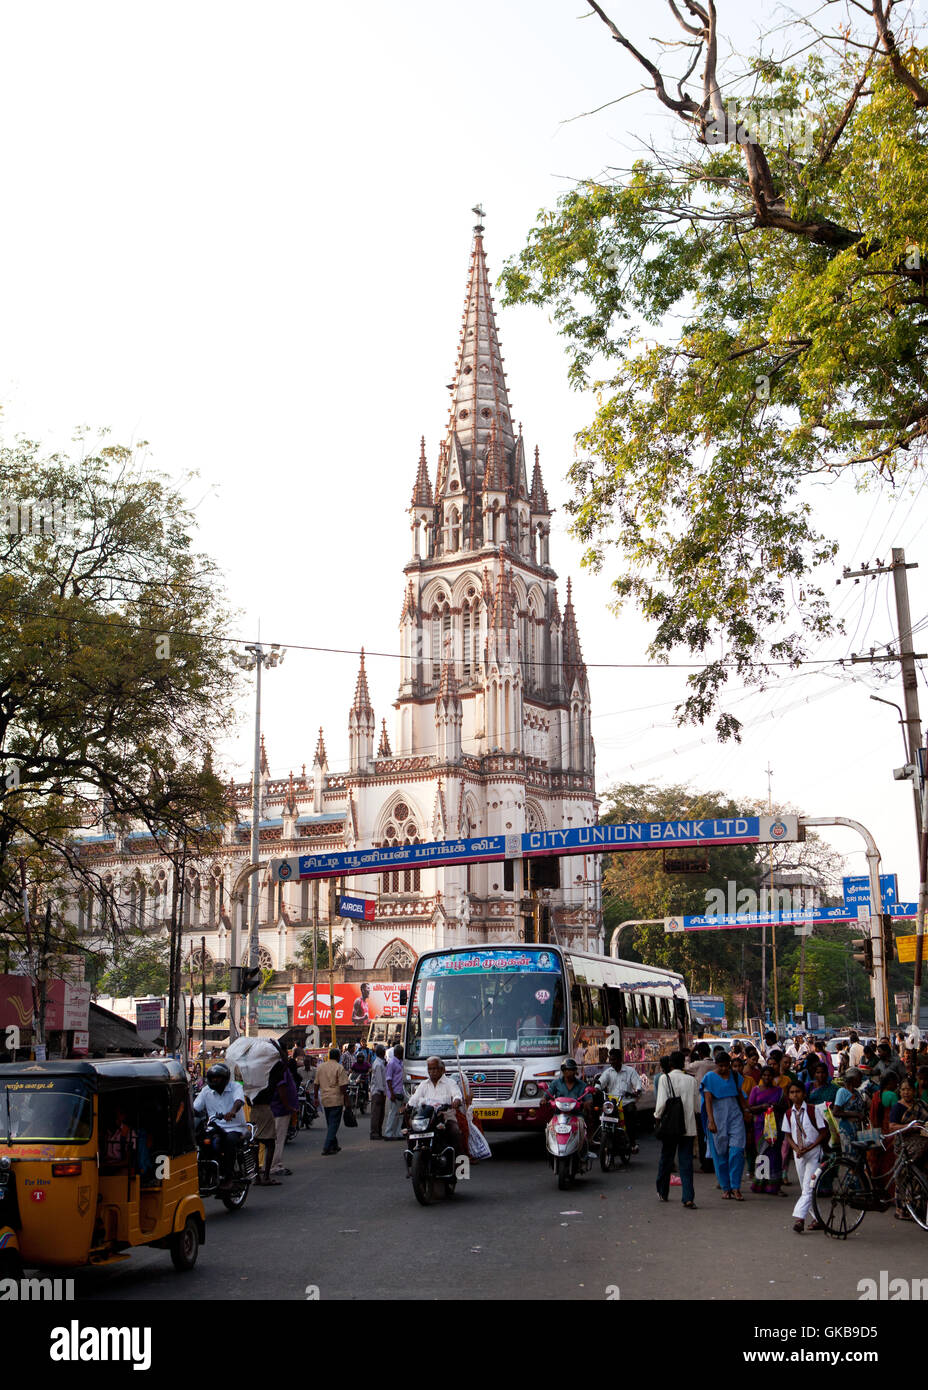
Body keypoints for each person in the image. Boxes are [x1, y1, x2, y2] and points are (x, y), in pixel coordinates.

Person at [700, 1052, 750, 1199]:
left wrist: (746, 1110)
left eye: (726, 1066)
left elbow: (740, 1095)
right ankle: (726, 1188)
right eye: (720, 1066)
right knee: (720, 1154)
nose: (723, 1069)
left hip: (735, 1116)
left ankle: (736, 1187)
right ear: (716, 1064)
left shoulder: (735, 1076)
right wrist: (711, 1121)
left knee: (737, 1151)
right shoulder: (709, 1078)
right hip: (718, 1117)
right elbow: (708, 1100)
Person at [654, 1050, 698, 1208]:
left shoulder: (665, 1079)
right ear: (683, 1064)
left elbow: (661, 1104)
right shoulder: (691, 1080)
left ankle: (663, 1191)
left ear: (670, 1064)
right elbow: (697, 1107)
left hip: (670, 1127)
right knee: (686, 1162)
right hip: (688, 1126)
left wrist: (657, 1120)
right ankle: (688, 1197)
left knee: (666, 1159)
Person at [782, 1081, 828, 1233]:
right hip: (799, 1154)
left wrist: (810, 1147)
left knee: (808, 1188)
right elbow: (788, 1135)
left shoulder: (812, 1110)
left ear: (804, 1093)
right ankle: (818, 1218)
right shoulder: (788, 1114)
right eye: (792, 1092)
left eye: (798, 1092)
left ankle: (799, 1219)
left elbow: (822, 1133)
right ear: (789, 1095)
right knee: (806, 1188)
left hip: (813, 1152)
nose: (795, 1095)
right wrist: (796, 1149)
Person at [192, 1062, 247, 1185]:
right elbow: (195, 1108)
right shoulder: (206, 1091)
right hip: (215, 1127)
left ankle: (229, 1177)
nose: (215, 1080)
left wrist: (232, 1112)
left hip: (234, 1127)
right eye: (213, 1078)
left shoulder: (235, 1087)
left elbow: (238, 1101)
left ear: (225, 1078)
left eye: (218, 1078)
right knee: (202, 1141)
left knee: (229, 1142)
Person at [405, 1056, 465, 1156]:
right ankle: (411, 1156)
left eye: (434, 1068)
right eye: (430, 1069)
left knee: (455, 1132)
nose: (432, 1072)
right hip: (427, 1120)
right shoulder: (424, 1084)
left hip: (446, 1118)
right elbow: (414, 1098)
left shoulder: (450, 1083)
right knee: (410, 1132)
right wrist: (407, 1106)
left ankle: (458, 1162)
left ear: (442, 1069)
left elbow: (457, 1094)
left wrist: (457, 1100)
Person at [887, 1076, 928, 1220]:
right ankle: (901, 1209)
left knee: (920, 1176)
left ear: (914, 1091)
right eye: (903, 1090)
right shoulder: (898, 1107)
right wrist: (909, 1127)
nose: (906, 1093)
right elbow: (892, 1126)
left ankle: (917, 1209)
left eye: (909, 1090)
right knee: (902, 1174)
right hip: (905, 1143)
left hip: (922, 1140)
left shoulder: (921, 1105)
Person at [596, 1049, 644, 1152]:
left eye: (614, 1059)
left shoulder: (630, 1071)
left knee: (631, 1113)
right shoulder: (608, 1072)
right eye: (611, 1059)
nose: (612, 1062)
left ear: (620, 1060)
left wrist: (636, 1091)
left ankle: (632, 1142)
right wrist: (596, 1088)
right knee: (600, 1113)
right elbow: (600, 1083)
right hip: (612, 1103)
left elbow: (638, 1085)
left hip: (626, 1102)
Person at [747, 1065, 785, 1195]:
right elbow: (750, 1108)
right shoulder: (755, 1090)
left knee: (774, 1155)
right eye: (764, 1075)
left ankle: (774, 1185)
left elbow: (785, 1107)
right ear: (761, 1076)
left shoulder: (779, 1091)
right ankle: (760, 1184)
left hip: (775, 1126)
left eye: (769, 1075)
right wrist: (762, 1107)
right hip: (760, 1126)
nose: (767, 1077)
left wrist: (776, 1106)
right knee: (762, 1154)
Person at [269, 1043, 299, 1176]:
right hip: (279, 1108)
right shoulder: (279, 1067)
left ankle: (270, 1165)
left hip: (275, 1107)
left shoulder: (277, 1065)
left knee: (273, 1138)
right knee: (278, 1139)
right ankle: (275, 1165)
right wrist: (288, 1106)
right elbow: (281, 1088)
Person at [686, 1043, 716, 1172]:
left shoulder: (698, 1065)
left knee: (703, 1134)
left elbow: (685, 1066)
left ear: (700, 1053)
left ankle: (705, 1163)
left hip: (701, 1105)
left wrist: (690, 1053)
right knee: (714, 1135)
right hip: (715, 1104)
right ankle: (714, 1161)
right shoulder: (715, 1064)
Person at [317, 1046, 350, 1155]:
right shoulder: (339, 1067)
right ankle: (327, 1147)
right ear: (338, 1056)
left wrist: (315, 1098)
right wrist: (347, 1100)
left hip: (325, 1098)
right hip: (336, 1098)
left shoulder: (321, 1067)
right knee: (333, 1124)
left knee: (330, 1123)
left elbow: (316, 1084)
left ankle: (334, 1145)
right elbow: (343, 1087)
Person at [383, 1042, 406, 1139]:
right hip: (395, 1092)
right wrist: (391, 1093)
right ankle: (388, 1133)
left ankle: (398, 1133)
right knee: (393, 1113)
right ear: (398, 1053)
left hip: (401, 1091)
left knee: (400, 1114)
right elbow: (388, 1079)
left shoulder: (401, 1063)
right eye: (402, 1053)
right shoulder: (392, 1063)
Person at [369, 1044, 387, 1139]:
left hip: (379, 1091)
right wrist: (383, 1092)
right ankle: (374, 1132)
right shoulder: (378, 1064)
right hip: (378, 1092)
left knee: (380, 1113)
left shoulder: (380, 1062)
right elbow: (380, 1080)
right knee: (376, 1113)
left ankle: (378, 1132)